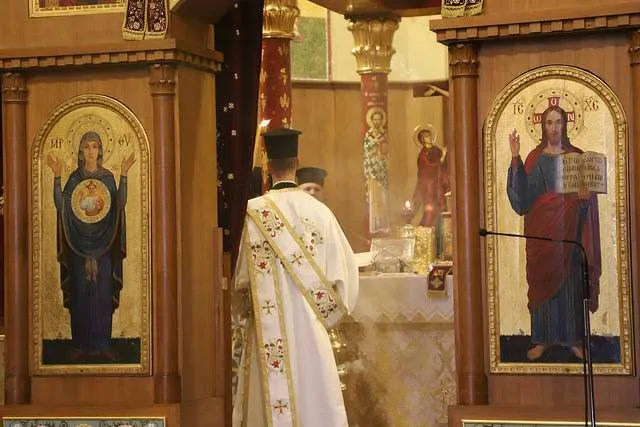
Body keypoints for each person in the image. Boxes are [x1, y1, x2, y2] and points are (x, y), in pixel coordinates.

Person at [232, 127, 359, 427]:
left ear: (267, 166)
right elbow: (345, 279)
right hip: (312, 333)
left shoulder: (252, 213)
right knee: (315, 399)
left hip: (265, 337)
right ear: (297, 163)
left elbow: (241, 283)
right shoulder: (321, 213)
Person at [507, 105, 602, 361]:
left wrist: (584, 199)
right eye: (549, 122)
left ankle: (574, 340)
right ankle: (542, 339)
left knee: (571, 284)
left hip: (570, 235)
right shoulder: (535, 158)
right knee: (542, 285)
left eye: (558, 122)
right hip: (541, 234)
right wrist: (515, 158)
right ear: (543, 126)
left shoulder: (576, 157)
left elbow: (586, 206)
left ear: (565, 125)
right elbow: (523, 198)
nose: (554, 127)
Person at [46, 131, 136, 362]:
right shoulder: (75, 179)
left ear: (101, 150)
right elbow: (62, 206)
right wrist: (57, 176)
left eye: (94, 146)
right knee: (80, 292)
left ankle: (103, 344)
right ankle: (80, 345)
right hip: (77, 244)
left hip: (104, 244)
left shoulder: (107, 178)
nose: (90, 151)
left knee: (103, 294)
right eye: (86, 147)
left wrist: (124, 174)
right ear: (80, 151)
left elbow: (119, 204)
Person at [410, 125, 449, 227]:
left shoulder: (437, 149)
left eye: (430, 135)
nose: (430, 138)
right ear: (422, 140)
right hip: (428, 184)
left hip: (438, 181)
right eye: (427, 136)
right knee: (430, 206)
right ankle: (427, 226)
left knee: (440, 205)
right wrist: (442, 157)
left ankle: (439, 227)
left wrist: (443, 155)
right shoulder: (423, 154)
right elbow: (427, 167)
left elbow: (443, 165)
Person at [363, 108, 391, 234]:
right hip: (372, 170)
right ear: (372, 121)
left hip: (382, 170)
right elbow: (367, 150)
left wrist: (382, 146)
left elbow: (386, 151)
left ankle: (383, 225)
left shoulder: (384, 134)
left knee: (383, 198)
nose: (377, 122)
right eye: (375, 119)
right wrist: (375, 142)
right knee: (374, 198)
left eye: (379, 119)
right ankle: (374, 226)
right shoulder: (368, 135)